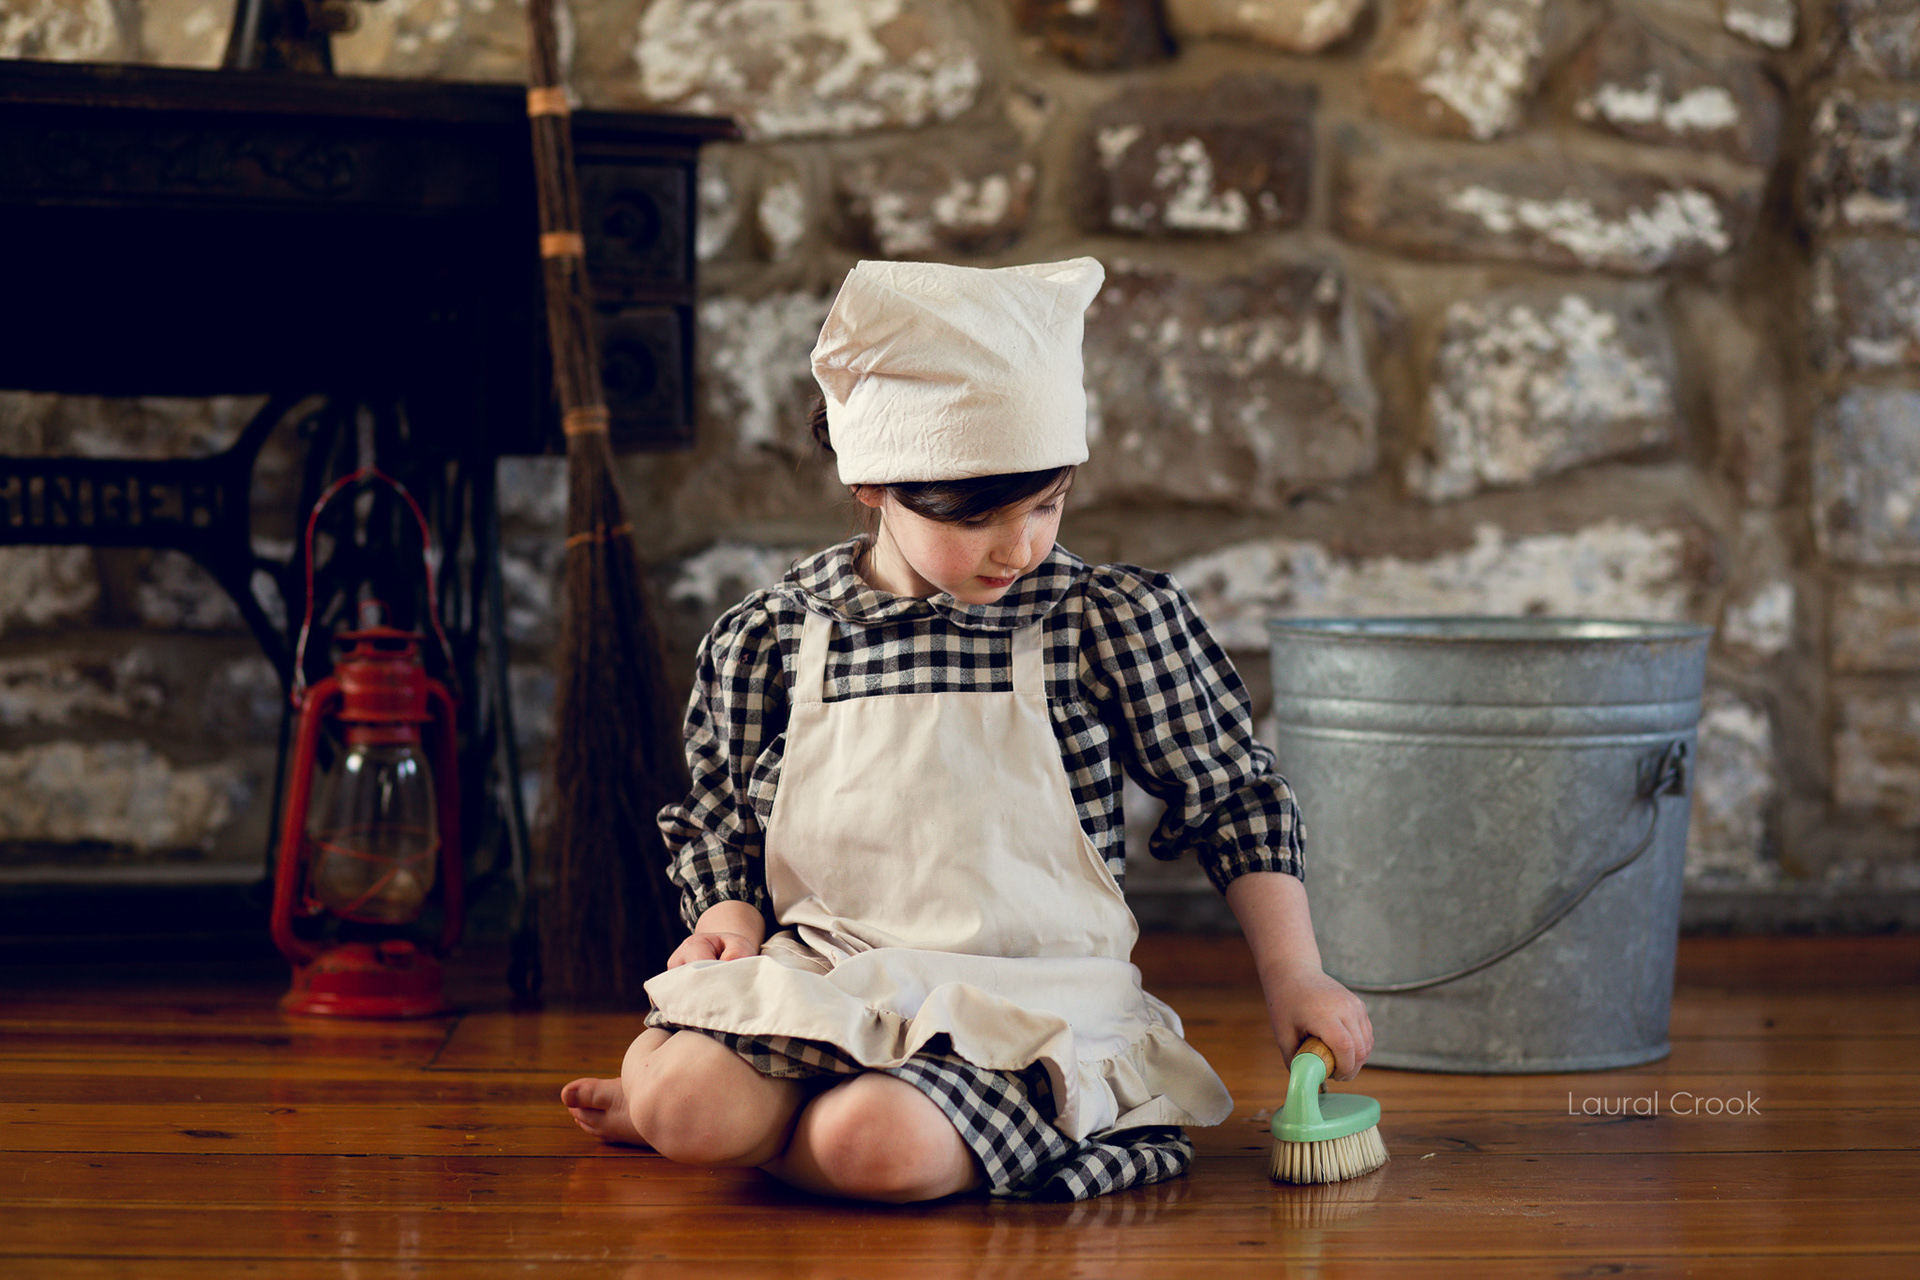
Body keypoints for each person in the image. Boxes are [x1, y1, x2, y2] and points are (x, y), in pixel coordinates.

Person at [561, 257, 1372, 1203]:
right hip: (831, 974)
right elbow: (719, 816)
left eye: (1047, 505)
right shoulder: (774, 637)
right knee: (690, 1104)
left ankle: (781, 1131)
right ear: (873, 483)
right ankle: (704, 1112)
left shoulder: (1103, 621)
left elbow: (1232, 795)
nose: (1019, 548)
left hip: (1026, 1003)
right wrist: (727, 915)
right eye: (979, 517)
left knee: (875, 1144)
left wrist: (1296, 974)